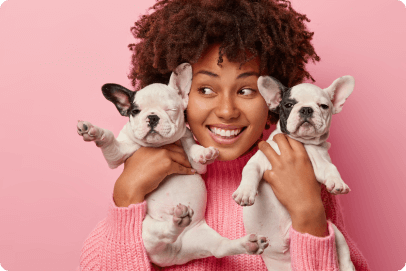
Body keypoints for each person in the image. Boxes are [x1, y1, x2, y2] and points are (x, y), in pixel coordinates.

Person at [78, 0, 370, 270]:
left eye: (246, 90)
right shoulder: (150, 170)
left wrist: (308, 213)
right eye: (205, 89)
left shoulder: (300, 169)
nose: (227, 111)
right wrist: (127, 194)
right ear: (179, 94)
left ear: (273, 98)